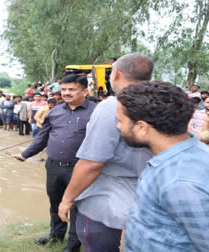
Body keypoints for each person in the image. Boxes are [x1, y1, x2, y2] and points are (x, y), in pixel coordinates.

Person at [115, 81, 209, 251]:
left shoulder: (180, 181)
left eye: (120, 121)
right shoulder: (186, 152)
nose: (118, 126)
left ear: (142, 127)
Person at [58, 53, 154, 251]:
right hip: (151, 192)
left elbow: (92, 162)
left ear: (116, 73)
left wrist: (67, 198)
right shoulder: (162, 103)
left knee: (98, 244)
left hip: (108, 194)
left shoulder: (112, 106)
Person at [13, 74, 96, 252]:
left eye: (72, 89)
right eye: (64, 89)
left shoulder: (96, 113)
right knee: (55, 203)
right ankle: (55, 236)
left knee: (76, 207)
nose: (66, 93)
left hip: (80, 169)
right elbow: (42, 137)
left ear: (85, 91)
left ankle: (73, 245)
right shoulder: (55, 111)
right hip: (53, 166)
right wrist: (25, 154)